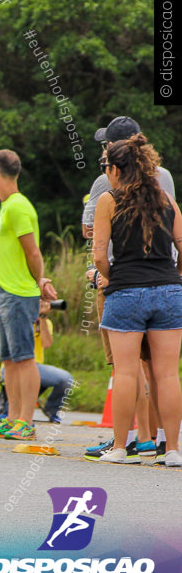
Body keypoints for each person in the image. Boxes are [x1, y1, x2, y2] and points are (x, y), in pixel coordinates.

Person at [82, 116, 172, 460]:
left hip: (122, 282)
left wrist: (104, 275)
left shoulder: (104, 185)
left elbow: (91, 236)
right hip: (165, 280)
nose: (104, 153)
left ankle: (129, 440)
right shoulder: (163, 178)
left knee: (125, 367)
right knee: (162, 370)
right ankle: (166, 440)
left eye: (106, 146)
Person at [0, 150, 58, 441]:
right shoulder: (6, 207)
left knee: (25, 358)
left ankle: (27, 421)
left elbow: (33, 250)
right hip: (3, 292)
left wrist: (39, 282)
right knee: (10, 360)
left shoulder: (18, 206)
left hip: (18, 293)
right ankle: (12, 419)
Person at [0, 298, 75, 424]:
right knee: (19, 374)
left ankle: (52, 410)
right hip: (13, 367)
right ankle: (9, 411)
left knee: (66, 379)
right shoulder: (18, 319)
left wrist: (42, 317)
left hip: (36, 366)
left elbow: (47, 343)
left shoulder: (45, 322)